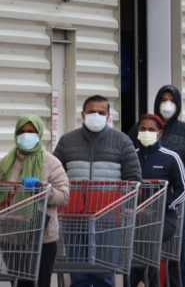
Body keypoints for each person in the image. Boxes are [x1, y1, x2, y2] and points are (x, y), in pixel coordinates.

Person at [54, 94, 142, 287]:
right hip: (73, 218)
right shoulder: (67, 141)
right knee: (78, 275)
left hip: (108, 219)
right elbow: (55, 175)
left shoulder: (122, 142)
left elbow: (133, 179)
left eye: (101, 112)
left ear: (108, 115)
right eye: (92, 112)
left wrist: (125, 208)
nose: (96, 115)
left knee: (104, 274)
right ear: (83, 114)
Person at [128, 85, 185, 287]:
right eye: (163, 99)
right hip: (142, 205)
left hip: (176, 203)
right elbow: (128, 158)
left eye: (171, 100)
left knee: (178, 253)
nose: (167, 104)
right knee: (142, 252)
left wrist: (174, 180)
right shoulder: (140, 128)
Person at [0, 114, 70, 287]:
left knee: (40, 283)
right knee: (20, 283)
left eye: (31, 131)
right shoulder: (5, 163)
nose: (26, 135)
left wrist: (42, 189)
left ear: (38, 133)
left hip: (43, 237)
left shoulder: (51, 162)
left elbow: (64, 196)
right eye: (22, 131)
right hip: (12, 237)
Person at [129, 113, 185, 287]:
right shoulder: (131, 156)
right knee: (130, 242)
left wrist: (159, 207)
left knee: (149, 237)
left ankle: (143, 280)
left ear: (160, 133)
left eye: (151, 130)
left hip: (163, 220)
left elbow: (183, 190)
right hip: (134, 219)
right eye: (142, 129)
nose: (146, 132)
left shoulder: (171, 157)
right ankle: (138, 280)